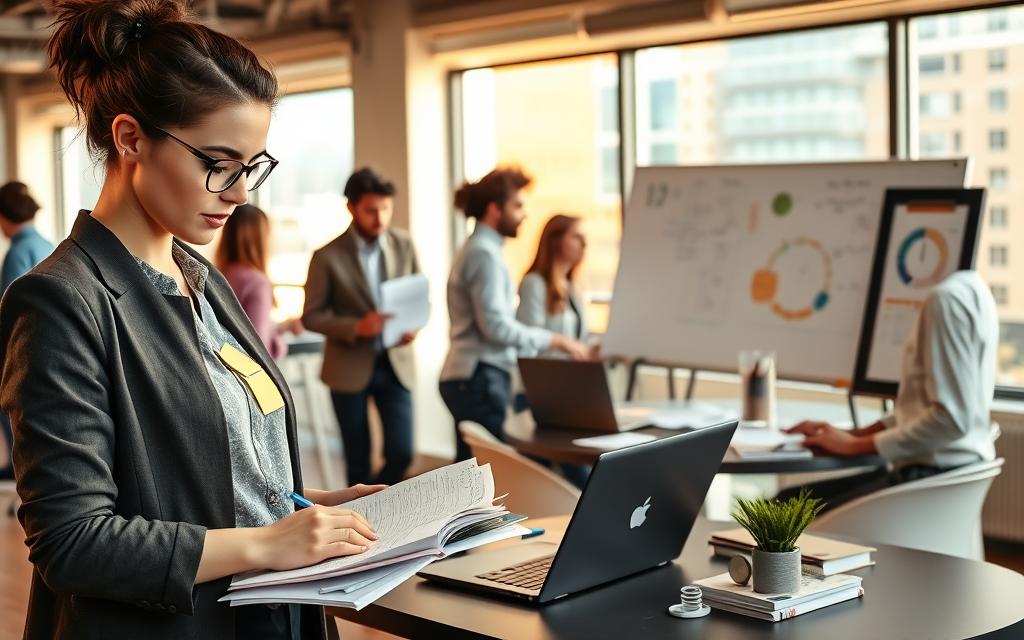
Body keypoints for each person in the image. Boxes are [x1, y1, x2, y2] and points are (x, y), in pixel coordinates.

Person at [2, 2, 382, 638]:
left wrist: (306, 510)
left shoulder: (204, 282)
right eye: (218, 162)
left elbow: (211, 482)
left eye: (252, 167)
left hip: (274, 615)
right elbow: (72, 542)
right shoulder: (62, 302)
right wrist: (267, 545)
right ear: (130, 139)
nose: (238, 192)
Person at [780, 270, 998, 511]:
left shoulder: (945, 300)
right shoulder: (972, 288)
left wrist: (853, 446)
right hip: (947, 474)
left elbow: (950, 420)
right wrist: (852, 435)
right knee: (786, 500)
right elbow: (925, 409)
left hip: (928, 476)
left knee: (780, 509)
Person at [440, 167, 591, 461]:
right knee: (489, 474)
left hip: (472, 375)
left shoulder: (480, 249)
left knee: (474, 474)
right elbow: (495, 327)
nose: (524, 214)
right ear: (494, 209)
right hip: (478, 376)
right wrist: (556, 340)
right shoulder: (484, 254)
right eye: (518, 206)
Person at [303, 167, 419, 486]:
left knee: (402, 453)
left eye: (385, 209)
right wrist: (357, 327)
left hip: (396, 362)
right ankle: (365, 527)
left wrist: (414, 325)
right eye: (371, 210)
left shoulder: (404, 244)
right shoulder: (326, 256)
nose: (380, 218)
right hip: (348, 367)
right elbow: (311, 316)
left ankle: (379, 506)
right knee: (358, 460)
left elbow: (418, 294)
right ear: (351, 207)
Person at [0, 181, 53, 481]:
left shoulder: (17, 252)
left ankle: (18, 466)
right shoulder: (48, 245)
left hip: (22, 348)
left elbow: (10, 313)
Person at [216, 203, 300, 360]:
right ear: (261, 237)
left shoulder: (217, 273)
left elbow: (240, 329)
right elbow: (260, 350)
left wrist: (282, 327)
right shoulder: (256, 282)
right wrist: (280, 345)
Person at [517, 213, 591, 356]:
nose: (584, 244)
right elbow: (529, 338)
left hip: (570, 372)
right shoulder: (534, 284)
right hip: (544, 373)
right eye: (577, 237)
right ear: (555, 242)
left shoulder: (573, 288)